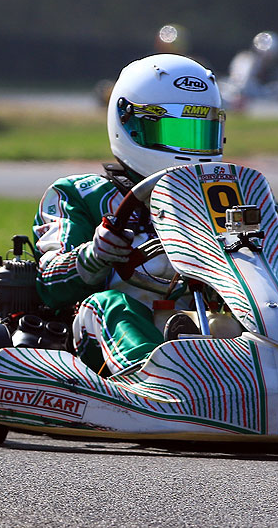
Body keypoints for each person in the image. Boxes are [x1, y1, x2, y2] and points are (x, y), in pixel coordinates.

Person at [32, 54, 226, 376]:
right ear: (130, 123)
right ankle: (155, 379)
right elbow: (49, 283)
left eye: (199, 134)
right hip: (97, 333)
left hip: (195, 324)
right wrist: (94, 255)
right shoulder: (80, 194)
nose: (189, 148)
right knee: (112, 304)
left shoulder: (220, 198)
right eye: (174, 133)